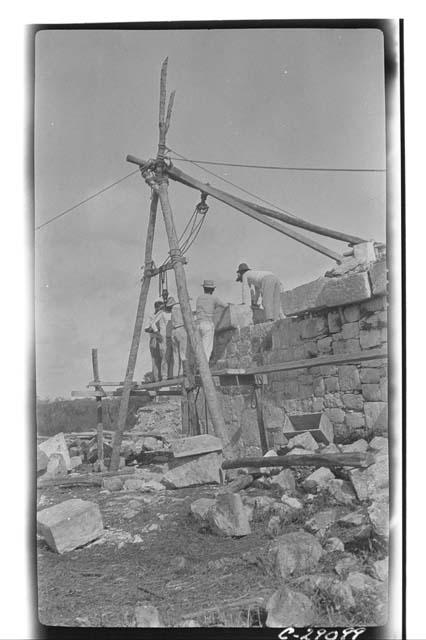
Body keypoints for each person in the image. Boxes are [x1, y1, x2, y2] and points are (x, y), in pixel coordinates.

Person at [196, 279, 228, 362]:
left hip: (198, 324)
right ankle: (204, 368)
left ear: (204, 289)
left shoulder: (199, 298)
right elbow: (225, 306)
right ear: (212, 289)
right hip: (207, 324)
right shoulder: (214, 298)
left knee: (199, 347)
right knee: (207, 348)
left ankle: (198, 366)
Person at [145, 300, 168, 381]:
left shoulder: (162, 315)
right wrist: (156, 332)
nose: (161, 310)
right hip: (154, 338)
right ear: (156, 308)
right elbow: (146, 328)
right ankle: (156, 378)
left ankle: (162, 376)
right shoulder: (151, 315)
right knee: (155, 359)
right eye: (160, 308)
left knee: (163, 357)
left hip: (161, 338)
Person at [166, 296, 188, 378]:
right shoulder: (180, 308)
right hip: (181, 329)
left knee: (175, 354)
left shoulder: (172, 311)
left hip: (173, 331)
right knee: (183, 352)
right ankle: (183, 372)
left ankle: (175, 374)